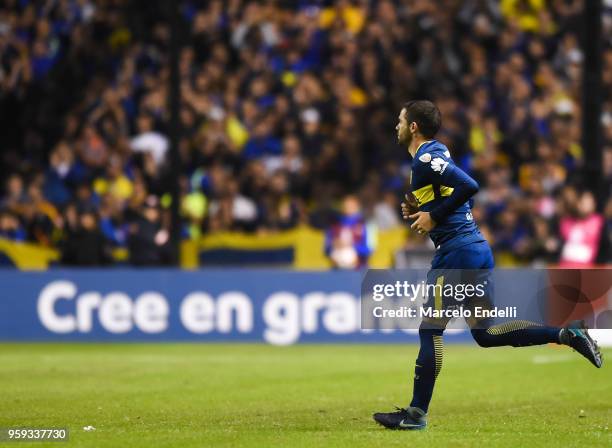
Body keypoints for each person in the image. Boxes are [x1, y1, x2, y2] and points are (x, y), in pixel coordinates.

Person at [373, 100, 603, 431]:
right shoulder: (435, 153)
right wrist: (423, 206)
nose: (395, 125)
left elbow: (469, 185)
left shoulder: (426, 156)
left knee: (430, 329)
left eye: (399, 120)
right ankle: (568, 334)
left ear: (412, 127)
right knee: (485, 333)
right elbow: (453, 193)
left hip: (457, 253)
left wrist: (434, 214)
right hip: (475, 248)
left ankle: (415, 415)